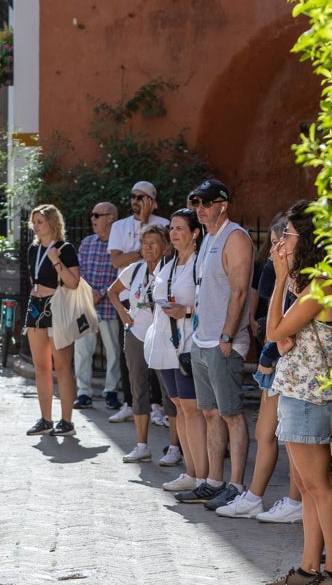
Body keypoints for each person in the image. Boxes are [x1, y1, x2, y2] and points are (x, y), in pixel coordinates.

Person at [264, 200, 332, 585]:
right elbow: (283, 338)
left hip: (309, 398)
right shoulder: (316, 285)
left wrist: (279, 277)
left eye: (290, 234)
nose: (283, 240)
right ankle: (308, 568)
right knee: (309, 487)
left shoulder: (320, 288)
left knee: (320, 487)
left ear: (309, 239)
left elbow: (273, 332)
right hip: (302, 395)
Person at [175, 179, 253, 512]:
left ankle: (236, 486)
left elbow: (240, 291)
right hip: (202, 340)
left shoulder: (235, 237)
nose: (201, 209)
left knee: (231, 414)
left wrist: (227, 336)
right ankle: (214, 481)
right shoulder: (207, 237)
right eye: (196, 204)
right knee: (209, 413)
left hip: (223, 342)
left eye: (207, 203)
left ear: (224, 204)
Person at [220, 217, 304, 522]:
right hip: (276, 363)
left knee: (292, 439)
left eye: (279, 241)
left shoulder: (301, 283)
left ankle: (295, 501)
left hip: (290, 365)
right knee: (264, 432)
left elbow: (281, 333)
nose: (271, 249)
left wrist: (269, 353)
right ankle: (254, 497)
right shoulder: (283, 276)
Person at [146, 209, 207, 490]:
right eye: (171, 228)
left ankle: (201, 475)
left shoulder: (200, 263)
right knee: (179, 407)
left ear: (195, 233)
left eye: (180, 228)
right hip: (164, 344)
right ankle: (190, 473)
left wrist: (186, 311)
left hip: (188, 344)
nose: (173, 233)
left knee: (191, 408)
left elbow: (212, 302)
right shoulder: (167, 262)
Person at [108, 181, 170, 422]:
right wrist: (146, 248)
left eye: (142, 197)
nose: (136, 201)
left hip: (157, 300)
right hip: (128, 299)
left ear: (152, 201)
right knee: (130, 358)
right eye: (133, 196)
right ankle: (130, 403)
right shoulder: (119, 226)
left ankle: (157, 406)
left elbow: (166, 256)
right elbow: (117, 261)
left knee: (158, 355)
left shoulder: (164, 224)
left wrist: (145, 228)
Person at [108, 224, 170, 462]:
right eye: (144, 243)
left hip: (163, 336)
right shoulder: (134, 270)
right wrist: (123, 313)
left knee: (169, 392)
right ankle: (142, 445)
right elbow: (112, 291)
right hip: (136, 334)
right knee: (138, 389)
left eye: (153, 243)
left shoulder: (169, 271)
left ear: (165, 247)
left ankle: (175, 447)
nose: (148, 247)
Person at [23, 204, 82, 438]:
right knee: (41, 367)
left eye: (40, 222)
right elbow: (33, 280)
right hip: (35, 307)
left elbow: (73, 283)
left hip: (56, 307)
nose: (36, 226)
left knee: (62, 367)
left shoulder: (65, 249)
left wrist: (56, 261)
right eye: (34, 222)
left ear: (52, 223)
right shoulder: (33, 249)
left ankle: (66, 422)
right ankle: (45, 419)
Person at [73, 202, 121, 411]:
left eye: (96, 215)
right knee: (82, 351)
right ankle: (83, 392)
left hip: (109, 306)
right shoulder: (86, 243)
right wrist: (89, 292)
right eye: (92, 215)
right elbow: (79, 271)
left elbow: (120, 273)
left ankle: (111, 391)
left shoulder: (119, 245)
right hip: (85, 305)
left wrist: (100, 292)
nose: (92, 219)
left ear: (110, 218)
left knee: (114, 351)